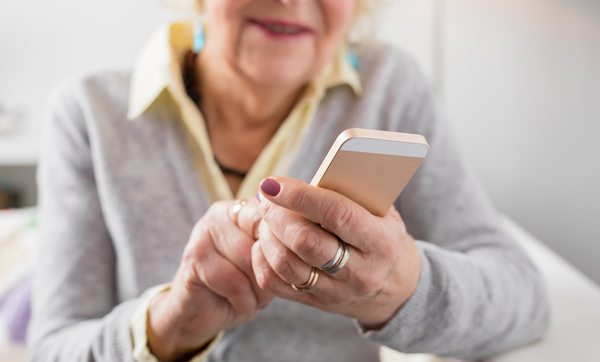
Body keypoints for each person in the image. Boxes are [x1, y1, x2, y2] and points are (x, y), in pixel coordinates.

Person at [28, 0, 550, 361]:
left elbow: (523, 298)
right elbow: (52, 349)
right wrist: (170, 325)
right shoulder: (89, 114)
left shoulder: (390, 89)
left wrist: (402, 287)